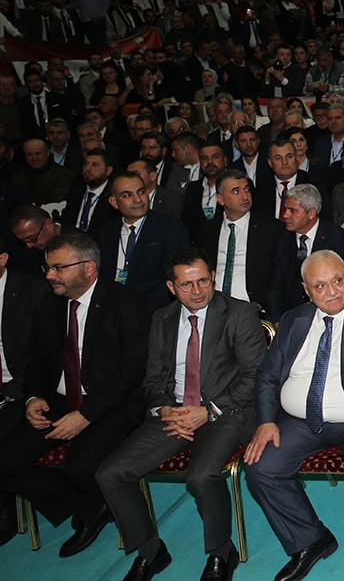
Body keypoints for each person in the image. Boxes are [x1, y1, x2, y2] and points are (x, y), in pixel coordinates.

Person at [96, 247, 266, 581]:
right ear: (171, 287)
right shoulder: (162, 319)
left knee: (201, 476)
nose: (197, 290)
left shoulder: (239, 313)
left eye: (203, 281)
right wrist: (165, 409)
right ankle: (150, 552)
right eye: (187, 284)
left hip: (224, 412)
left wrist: (208, 410)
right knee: (111, 473)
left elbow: (255, 377)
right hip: (174, 413)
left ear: (213, 277)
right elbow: (153, 379)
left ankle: (221, 552)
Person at [244, 250, 344, 581]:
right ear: (306, 290)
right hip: (299, 420)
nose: (332, 291)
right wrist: (266, 421)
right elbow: (268, 376)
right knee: (260, 466)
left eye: (337, 280)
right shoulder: (293, 319)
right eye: (320, 286)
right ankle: (309, 540)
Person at [0, 233, 149, 558]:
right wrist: (33, 398)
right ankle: (91, 506)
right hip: (60, 401)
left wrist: (85, 415)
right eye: (47, 268)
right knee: (5, 462)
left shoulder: (127, 303)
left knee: (81, 467)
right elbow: (39, 358)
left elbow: (131, 373)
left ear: (89, 268)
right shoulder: (51, 303)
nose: (50, 275)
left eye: (58, 268)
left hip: (114, 404)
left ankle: (93, 504)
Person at [0, 237, 51, 546]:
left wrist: (15, 391)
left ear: (3, 258)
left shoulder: (33, 291)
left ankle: (5, 512)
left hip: (23, 388)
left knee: (5, 455)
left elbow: (45, 354)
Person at [96, 172, 191, 311]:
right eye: (127, 195)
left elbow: (176, 278)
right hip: (111, 308)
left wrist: (135, 308)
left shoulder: (171, 229)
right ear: (114, 202)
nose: (138, 199)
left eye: (141, 192)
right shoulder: (106, 232)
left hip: (152, 310)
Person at [265, 184, 344, 322]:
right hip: (291, 316)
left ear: (311, 213)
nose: (285, 215)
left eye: (292, 211)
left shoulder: (338, 238)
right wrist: (277, 320)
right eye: (285, 209)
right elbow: (275, 285)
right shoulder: (281, 239)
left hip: (329, 312)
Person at [199, 169, 283, 313]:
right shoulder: (208, 230)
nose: (245, 196)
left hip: (254, 309)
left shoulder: (271, 229)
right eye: (236, 191)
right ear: (220, 199)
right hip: (214, 307)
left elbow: (278, 278)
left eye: (247, 190)